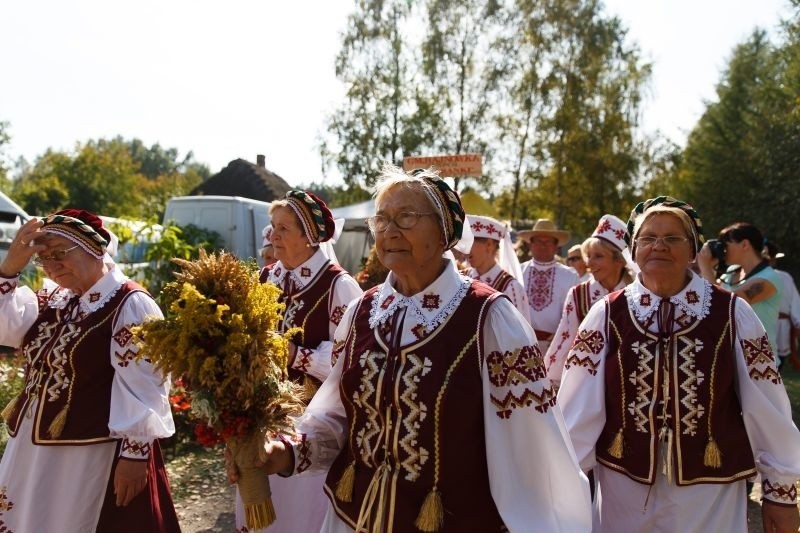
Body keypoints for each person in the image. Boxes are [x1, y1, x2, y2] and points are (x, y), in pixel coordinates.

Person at [245, 164, 592, 532]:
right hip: (352, 519)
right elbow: (336, 419)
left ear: (445, 233)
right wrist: (284, 453)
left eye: (406, 217)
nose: (390, 231)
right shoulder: (362, 312)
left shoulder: (489, 319)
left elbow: (534, 451)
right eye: (382, 220)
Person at [558, 196, 800, 532]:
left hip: (709, 494)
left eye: (673, 238)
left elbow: (768, 408)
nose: (659, 246)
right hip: (624, 489)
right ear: (633, 250)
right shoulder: (607, 314)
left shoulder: (731, 314)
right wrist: (559, 494)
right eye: (648, 238)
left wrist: (781, 494)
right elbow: (576, 413)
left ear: (692, 250)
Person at [0, 209, 180, 532]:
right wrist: (9, 269)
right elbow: (5, 329)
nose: (52, 265)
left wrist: (134, 456)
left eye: (60, 254)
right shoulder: (53, 298)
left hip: (91, 455)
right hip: (32, 452)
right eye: (44, 258)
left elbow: (145, 387)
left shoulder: (130, 304)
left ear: (94, 249)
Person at [231, 189, 363, 533]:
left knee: (300, 516)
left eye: (284, 228)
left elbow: (347, 363)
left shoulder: (339, 286)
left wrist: (295, 354)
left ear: (309, 237)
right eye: (273, 226)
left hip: (311, 426)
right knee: (259, 509)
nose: (273, 235)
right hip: (260, 418)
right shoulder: (266, 279)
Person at [545, 214, 634, 387]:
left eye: (598, 256)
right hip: (588, 384)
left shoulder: (638, 293)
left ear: (619, 261)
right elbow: (564, 339)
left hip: (629, 382)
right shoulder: (579, 294)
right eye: (589, 256)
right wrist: (549, 381)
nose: (589, 263)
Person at [698, 222, 783, 360]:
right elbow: (705, 295)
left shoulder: (768, 278)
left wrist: (705, 266)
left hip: (759, 358)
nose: (723, 249)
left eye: (726, 244)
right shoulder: (732, 272)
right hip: (733, 354)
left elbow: (723, 305)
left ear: (745, 245)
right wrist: (710, 267)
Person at [519, 219, 579, 353]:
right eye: (538, 241)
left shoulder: (570, 275)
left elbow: (574, 314)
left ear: (556, 247)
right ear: (530, 245)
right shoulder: (518, 272)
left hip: (556, 347)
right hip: (521, 344)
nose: (542, 246)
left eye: (548, 242)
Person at [465, 214, 531, 324]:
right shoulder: (461, 278)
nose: (465, 249)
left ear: (489, 245)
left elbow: (519, 334)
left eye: (469, 243)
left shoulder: (510, 287)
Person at [764, 241, 800, 368]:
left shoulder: (744, 277)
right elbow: (796, 305)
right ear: (773, 259)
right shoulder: (784, 277)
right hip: (781, 329)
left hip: (764, 328)